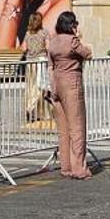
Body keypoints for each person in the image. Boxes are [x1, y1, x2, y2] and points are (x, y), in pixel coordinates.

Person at [44, 10, 93, 179]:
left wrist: (53, 87)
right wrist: (79, 36)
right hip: (72, 83)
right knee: (77, 127)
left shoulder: (53, 42)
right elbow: (87, 54)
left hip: (56, 84)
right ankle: (79, 168)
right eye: (75, 24)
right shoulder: (72, 40)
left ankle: (65, 167)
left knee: (63, 130)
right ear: (71, 25)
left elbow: (50, 66)